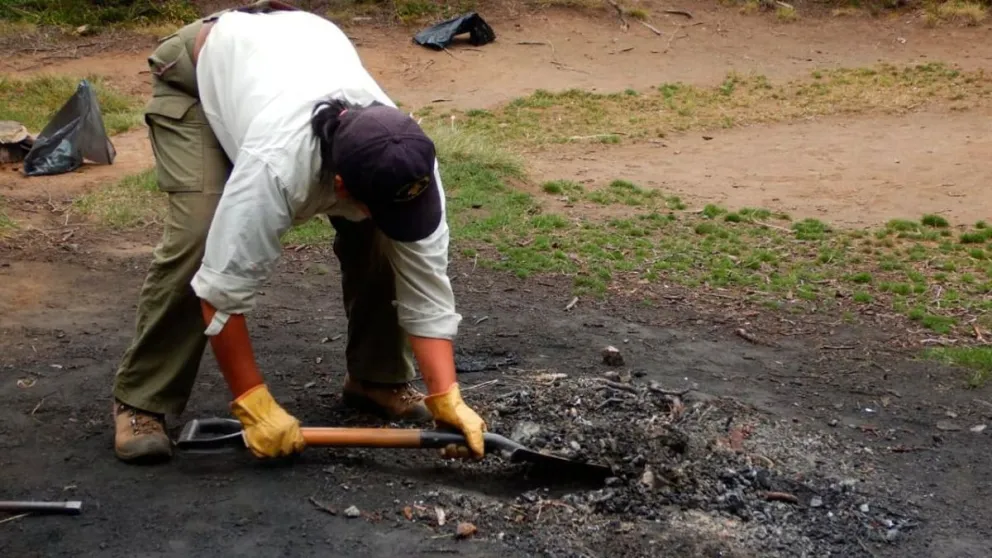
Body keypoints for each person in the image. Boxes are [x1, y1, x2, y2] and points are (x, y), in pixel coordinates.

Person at [111, 1, 486, 464]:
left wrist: (446, 395)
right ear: (341, 186)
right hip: (197, 74)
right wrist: (254, 402)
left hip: (281, 60)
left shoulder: (406, 157)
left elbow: (427, 286)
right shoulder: (280, 165)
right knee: (201, 235)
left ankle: (377, 377)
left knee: (383, 237)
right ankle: (141, 401)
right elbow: (221, 288)